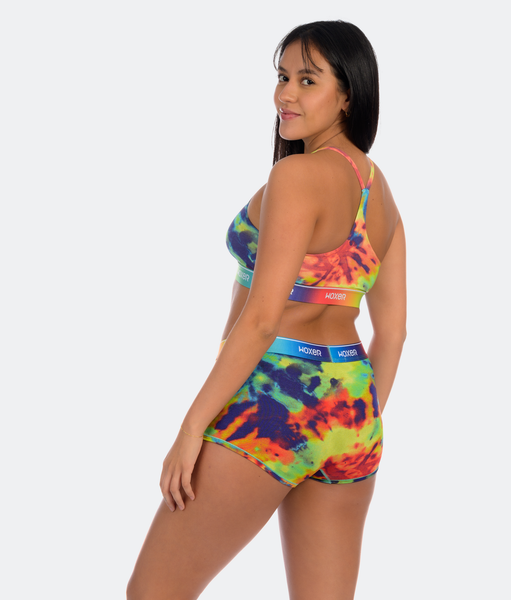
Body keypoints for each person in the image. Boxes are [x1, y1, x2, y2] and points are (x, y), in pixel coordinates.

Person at [127, 20, 406, 600]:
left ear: (348, 94)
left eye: (307, 80)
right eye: (282, 77)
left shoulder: (297, 175)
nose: (285, 94)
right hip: (353, 409)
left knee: (153, 592)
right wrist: (347, 418)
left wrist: (191, 428)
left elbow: (260, 320)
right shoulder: (380, 194)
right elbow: (395, 332)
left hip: (275, 400)